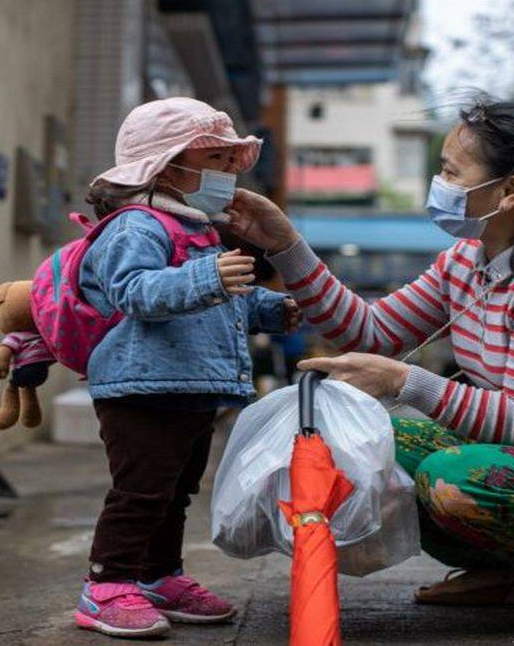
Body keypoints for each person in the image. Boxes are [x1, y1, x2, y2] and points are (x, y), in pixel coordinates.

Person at [225, 100, 514, 641]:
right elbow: (371, 331)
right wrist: (286, 246)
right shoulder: (466, 260)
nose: (439, 182)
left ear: (510, 192)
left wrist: (406, 382)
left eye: (452, 171)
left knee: (454, 478)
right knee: (373, 441)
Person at [74, 98, 301, 639]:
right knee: (141, 490)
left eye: (230, 159)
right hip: (139, 386)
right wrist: (209, 279)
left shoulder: (200, 229)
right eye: (215, 159)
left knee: (176, 490)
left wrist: (275, 309)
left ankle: (158, 576)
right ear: (166, 165)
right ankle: (104, 586)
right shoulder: (136, 226)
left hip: (189, 384)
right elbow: (133, 293)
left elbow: (226, 302)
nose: (228, 172)